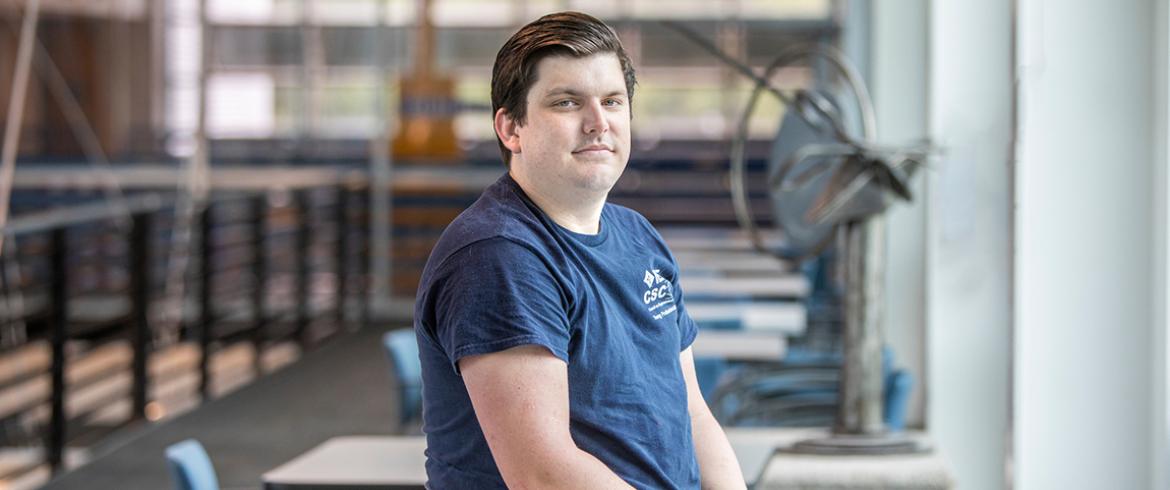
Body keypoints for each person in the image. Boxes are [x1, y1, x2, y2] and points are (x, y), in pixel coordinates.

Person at [413, 11, 746, 489]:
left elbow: (691, 411)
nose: (598, 123)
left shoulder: (638, 237)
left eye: (612, 101)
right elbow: (543, 474)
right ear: (511, 130)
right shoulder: (499, 256)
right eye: (567, 103)